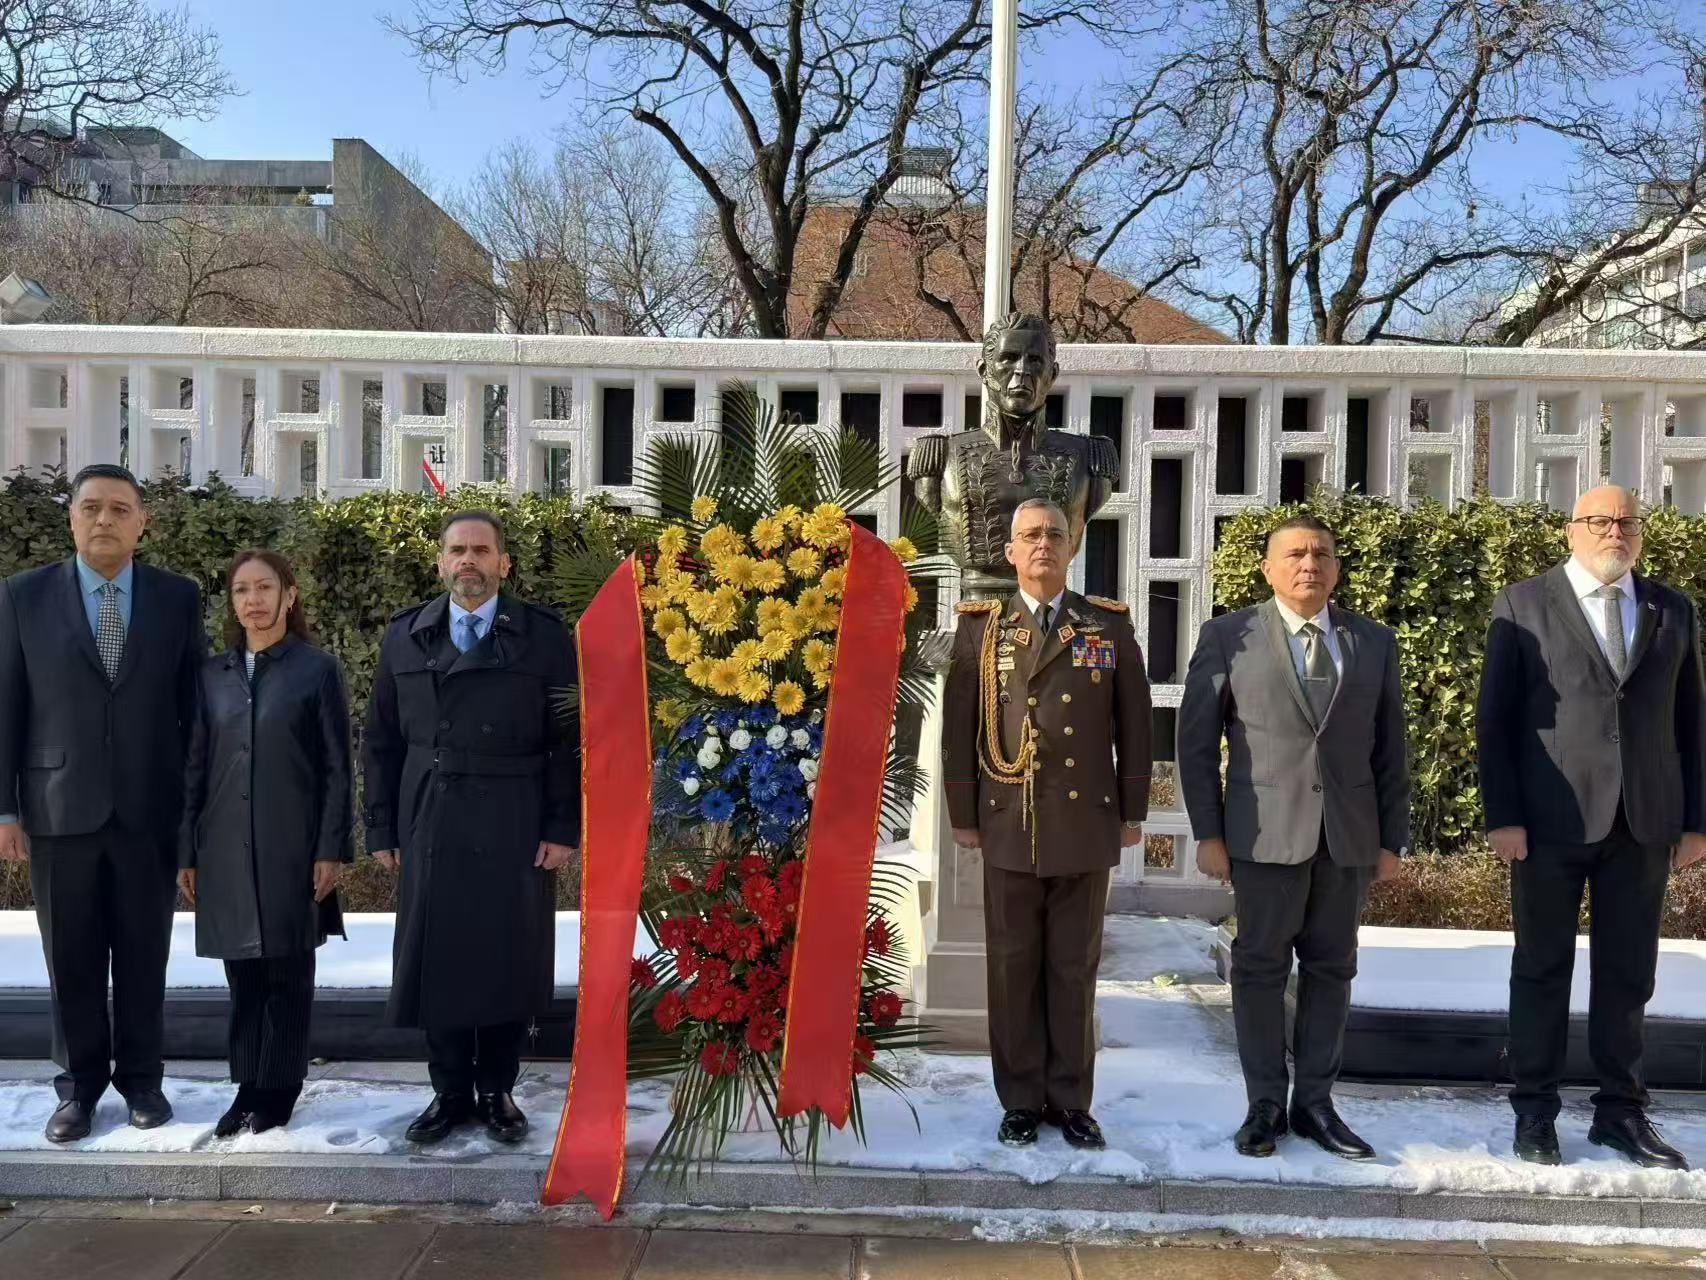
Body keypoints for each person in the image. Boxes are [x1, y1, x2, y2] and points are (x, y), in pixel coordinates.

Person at [1477, 485, 1706, 1171]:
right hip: (1548, 822)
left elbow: (1691, 719)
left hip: (1643, 821)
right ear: (1572, 529)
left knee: (1628, 974)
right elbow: (1496, 720)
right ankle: (1535, 1112)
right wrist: (1504, 816)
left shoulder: (1672, 608)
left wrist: (1697, 821)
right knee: (1541, 969)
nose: (1615, 531)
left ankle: (1620, 1113)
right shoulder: (1523, 603)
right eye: (1600, 520)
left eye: (1627, 521)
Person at [1178, 514, 1408, 1161]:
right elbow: (1196, 745)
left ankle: (1316, 1103)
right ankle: (1264, 1105)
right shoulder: (1230, 637)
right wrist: (1209, 832)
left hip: (1347, 839)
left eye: (1322, 555)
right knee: (1258, 969)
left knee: (1333, 970)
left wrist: (1392, 839)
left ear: (1336, 569)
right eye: (1296, 555)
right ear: (1269, 568)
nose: (1310, 565)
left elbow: (1391, 750)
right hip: (1262, 837)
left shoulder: (1373, 643)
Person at [0, 463, 205, 1142]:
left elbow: (193, 713)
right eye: (91, 507)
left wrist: (194, 811)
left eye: (120, 509)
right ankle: (78, 1088)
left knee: (146, 952)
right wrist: (5, 809)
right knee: (72, 955)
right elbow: (8, 709)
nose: (104, 520)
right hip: (58, 808)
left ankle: (142, 1081)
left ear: (142, 524)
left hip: (151, 810)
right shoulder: (23, 597)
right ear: (71, 518)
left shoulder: (178, 599)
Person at [363, 509, 579, 1145]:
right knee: (440, 959)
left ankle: (498, 1090)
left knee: (506, 957)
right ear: (439, 561)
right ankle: (449, 1090)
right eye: (457, 550)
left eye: (481, 550)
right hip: (430, 815)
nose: (469, 562)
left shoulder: (541, 637)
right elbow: (380, 742)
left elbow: (567, 742)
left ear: (503, 564)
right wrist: (381, 828)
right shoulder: (407, 635)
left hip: (514, 819)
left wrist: (562, 826)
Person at [942, 497, 1151, 1150]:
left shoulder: (1107, 627)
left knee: (1073, 968)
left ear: (1072, 546)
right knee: (1011, 968)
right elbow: (959, 729)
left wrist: (1133, 809)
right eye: (1029, 536)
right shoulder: (983, 628)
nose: (1041, 545)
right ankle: (1020, 1100)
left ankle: (1071, 1100)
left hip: (1084, 823)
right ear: (1009, 553)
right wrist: (964, 814)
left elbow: (1136, 728)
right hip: (1009, 821)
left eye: (1054, 535)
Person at [176, 550, 351, 1136]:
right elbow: (194, 768)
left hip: (292, 847)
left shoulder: (315, 671)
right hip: (222, 848)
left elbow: (335, 768)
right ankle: (246, 1086)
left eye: (265, 588)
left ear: (289, 596)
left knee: (287, 974)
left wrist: (330, 848)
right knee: (243, 977)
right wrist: (187, 851)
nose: (253, 601)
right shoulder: (210, 677)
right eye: (241, 591)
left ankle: (280, 1088)